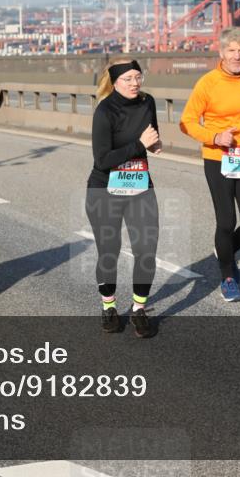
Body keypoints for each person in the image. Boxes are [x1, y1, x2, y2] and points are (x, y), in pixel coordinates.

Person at [180, 27, 240, 303]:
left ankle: (224, 250)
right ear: (221, 53)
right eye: (231, 50)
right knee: (226, 221)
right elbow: (186, 121)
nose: (236, 56)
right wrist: (214, 136)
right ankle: (227, 277)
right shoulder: (208, 83)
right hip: (217, 158)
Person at [87, 59, 162, 338]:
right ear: (114, 82)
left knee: (146, 251)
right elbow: (103, 159)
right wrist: (139, 145)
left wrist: (154, 145)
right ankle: (109, 307)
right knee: (109, 251)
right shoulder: (104, 111)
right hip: (105, 188)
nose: (134, 83)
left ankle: (139, 310)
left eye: (137, 77)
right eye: (128, 79)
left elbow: (151, 137)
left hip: (140, 185)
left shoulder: (147, 102)